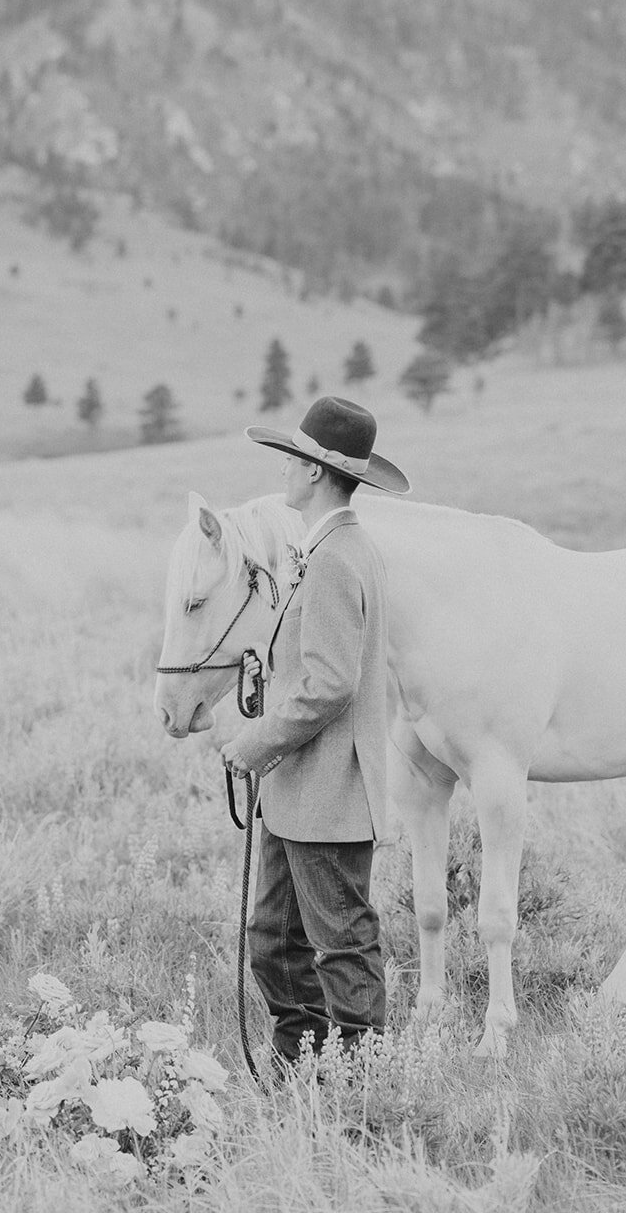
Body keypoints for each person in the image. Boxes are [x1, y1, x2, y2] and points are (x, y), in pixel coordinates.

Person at [220, 395, 410, 1071]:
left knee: (340, 940)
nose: (282, 474)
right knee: (272, 937)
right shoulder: (335, 547)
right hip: (301, 790)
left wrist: (257, 742)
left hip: (327, 789)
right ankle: (300, 1064)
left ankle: (361, 1084)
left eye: (290, 462)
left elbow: (330, 683)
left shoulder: (334, 558)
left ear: (313, 474)